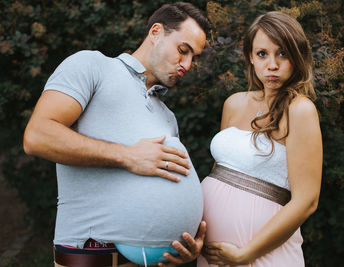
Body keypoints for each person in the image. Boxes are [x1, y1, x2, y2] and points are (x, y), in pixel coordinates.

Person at [23, 2, 212, 267]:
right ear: (156, 32)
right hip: (89, 257)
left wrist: (177, 246)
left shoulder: (167, 117)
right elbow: (37, 136)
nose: (188, 64)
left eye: (194, 57)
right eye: (183, 50)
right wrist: (128, 156)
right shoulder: (92, 66)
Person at [197, 11, 323, 266]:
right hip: (214, 254)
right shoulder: (233, 103)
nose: (272, 65)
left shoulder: (300, 110)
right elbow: (220, 174)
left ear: (297, 58)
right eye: (262, 54)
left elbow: (307, 201)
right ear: (251, 58)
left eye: (283, 53)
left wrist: (247, 253)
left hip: (262, 256)